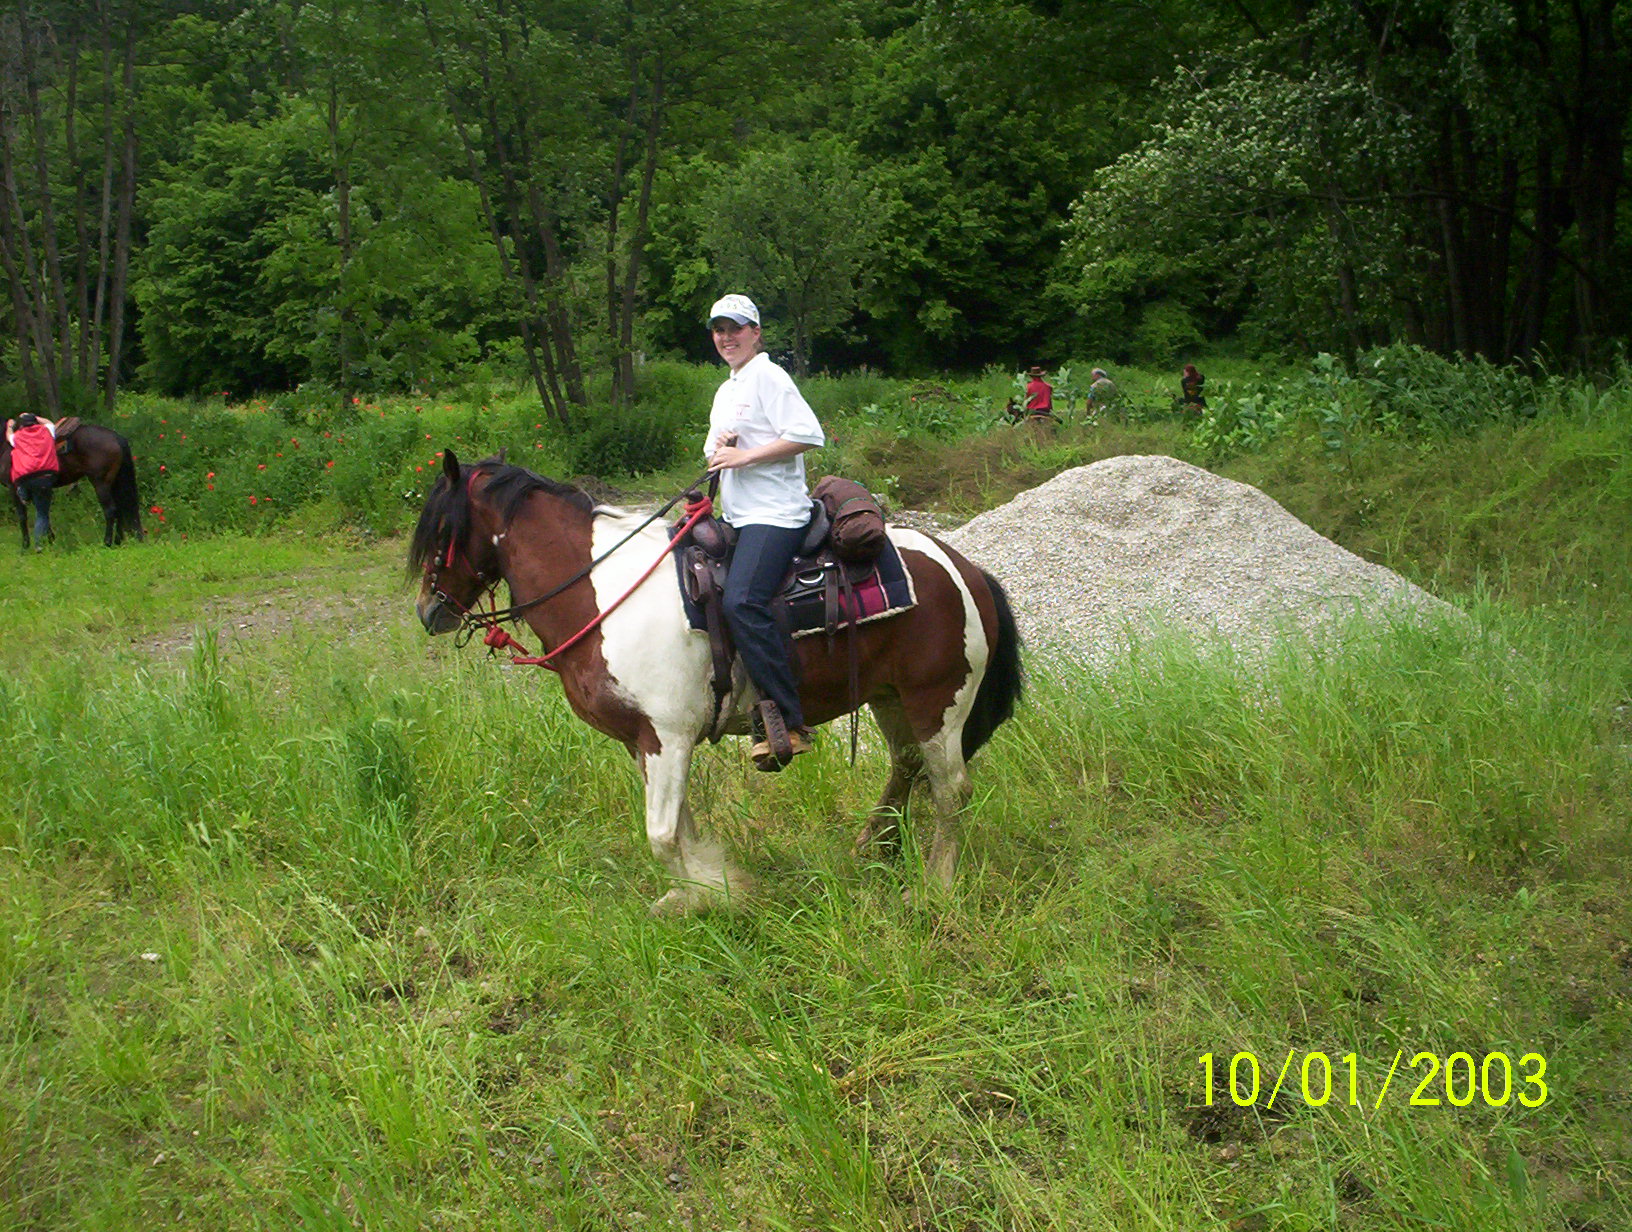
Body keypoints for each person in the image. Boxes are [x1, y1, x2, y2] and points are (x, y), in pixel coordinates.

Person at [703, 293, 827, 768]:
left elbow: (808, 434)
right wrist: (722, 448)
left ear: (755, 333)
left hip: (775, 513)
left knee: (742, 601)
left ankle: (788, 723)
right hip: (738, 514)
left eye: (735, 328)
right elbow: (714, 455)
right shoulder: (727, 390)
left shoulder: (769, 376)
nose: (726, 337)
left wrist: (745, 456)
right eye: (719, 330)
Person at [6, 412, 59, 547]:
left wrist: (10, 426)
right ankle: (39, 545)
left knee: (27, 491)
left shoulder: (17, 436)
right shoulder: (47, 430)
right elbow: (49, 422)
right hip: (43, 477)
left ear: (21, 425)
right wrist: (34, 416)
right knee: (42, 513)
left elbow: (8, 436)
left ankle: (24, 494)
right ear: (35, 422)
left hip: (24, 478)